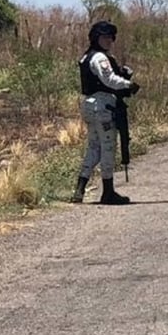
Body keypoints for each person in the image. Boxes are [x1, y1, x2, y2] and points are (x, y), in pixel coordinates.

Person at [71, 21, 140, 205]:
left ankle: (80, 188)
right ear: (96, 38)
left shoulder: (86, 57)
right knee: (108, 147)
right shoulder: (100, 58)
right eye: (105, 37)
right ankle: (108, 192)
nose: (109, 41)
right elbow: (108, 79)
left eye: (111, 37)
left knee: (94, 147)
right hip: (103, 106)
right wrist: (128, 84)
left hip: (90, 105)